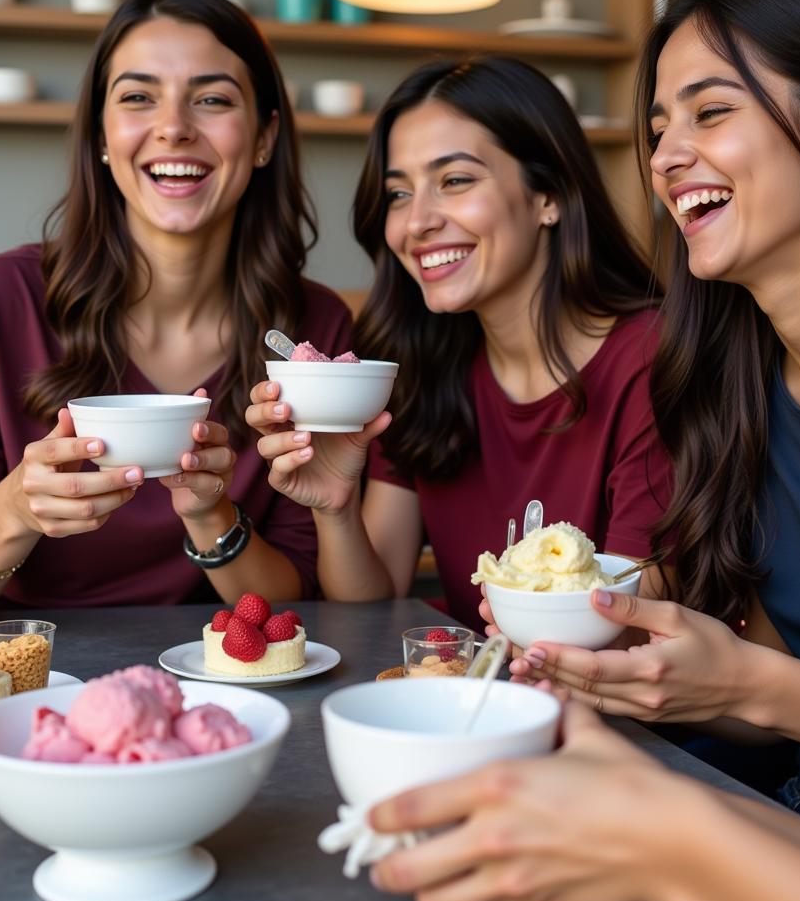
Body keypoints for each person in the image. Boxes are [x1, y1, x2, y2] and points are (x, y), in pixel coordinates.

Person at [367, 0, 800, 901]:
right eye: (658, 127)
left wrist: (745, 683)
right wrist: (649, 684)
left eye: (710, 112)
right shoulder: (742, 381)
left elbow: (797, 694)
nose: (666, 157)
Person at [0, 0, 352, 615]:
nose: (173, 127)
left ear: (263, 138)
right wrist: (16, 507)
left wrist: (209, 514)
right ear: (103, 136)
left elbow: (290, 600)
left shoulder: (315, 327)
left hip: (223, 682)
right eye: (139, 97)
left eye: (213, 99)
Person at [246, 56, 672, 629]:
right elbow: (370, 606)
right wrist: (337, 506)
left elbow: (635, 626)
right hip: (468, 700)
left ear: (549, 195)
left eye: (455, 181)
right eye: (398, 193)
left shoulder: (650, 361)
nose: (416, 221)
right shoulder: (424, 367)